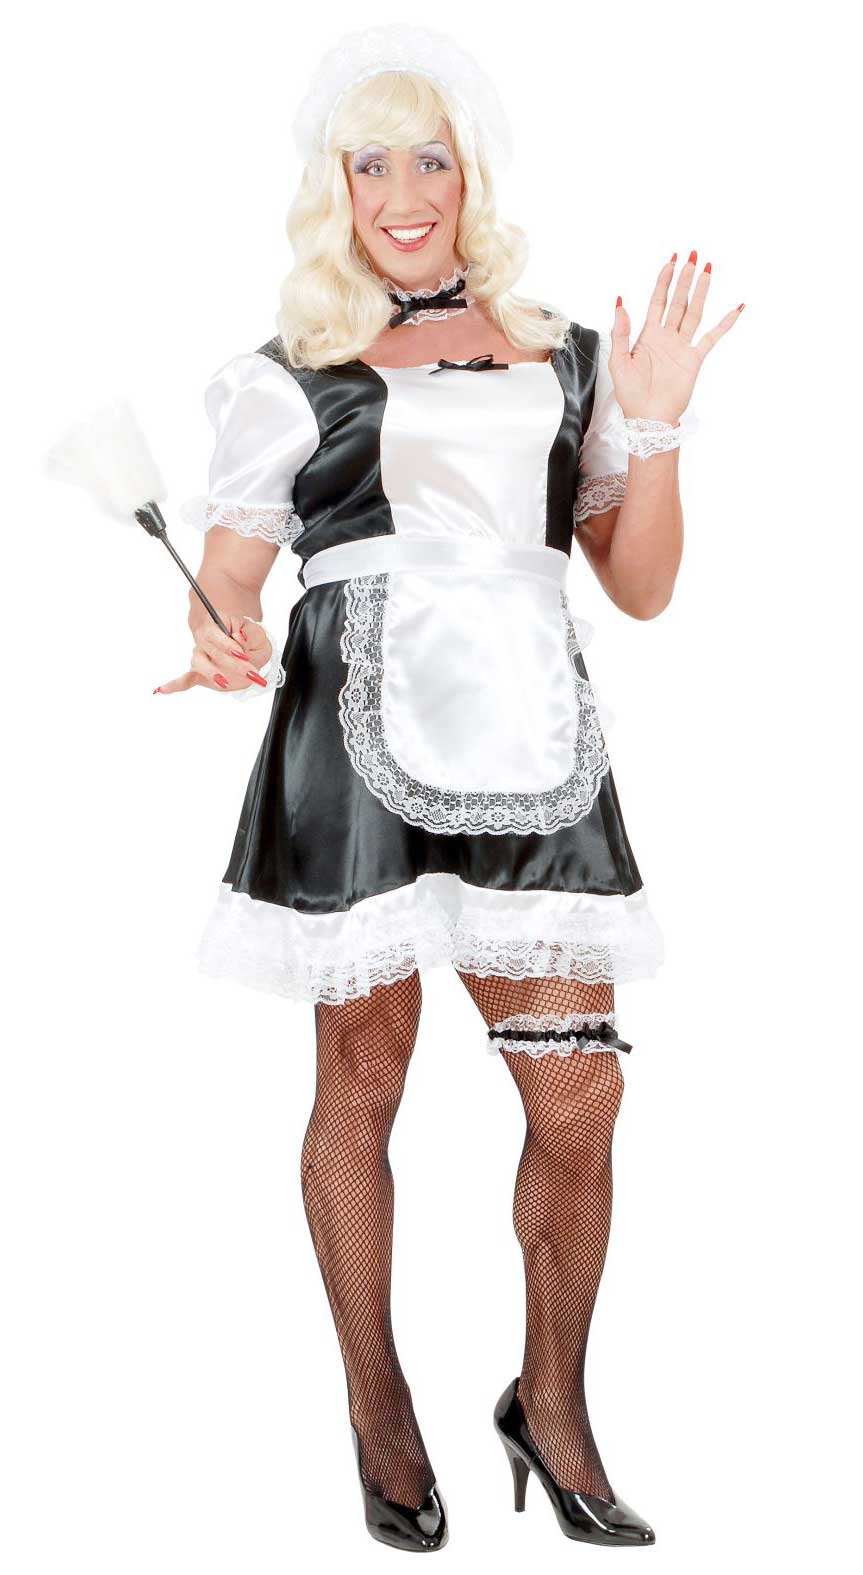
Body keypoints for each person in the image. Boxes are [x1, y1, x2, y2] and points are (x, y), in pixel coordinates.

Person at [157, 23, 743, 1553]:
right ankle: (379, 1407)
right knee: (362, 1082)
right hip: (353, 748)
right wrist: (217, 633)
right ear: (334, 187)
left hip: (533, 745)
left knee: (582, 1090)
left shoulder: (567, 356)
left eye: (431, 158)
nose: (404, 193)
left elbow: (641, 586)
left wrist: (657, 425)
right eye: (371, 164)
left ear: (472, 174)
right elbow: (231, 581)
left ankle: (551, 1402)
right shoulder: (288, 374)